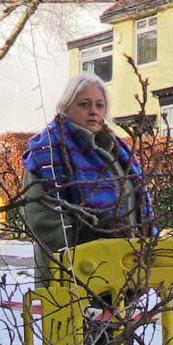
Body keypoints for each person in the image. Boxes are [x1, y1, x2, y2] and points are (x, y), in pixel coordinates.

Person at [22, 73, 154, 285]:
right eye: (84, 104)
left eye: (99, 105)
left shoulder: (117, 152)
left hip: (123, 274)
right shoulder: (47, 151)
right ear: (65, 107)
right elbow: (42, 220)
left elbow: (137, 208)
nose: (93, 111)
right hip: (70, 278)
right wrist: (92, 252)